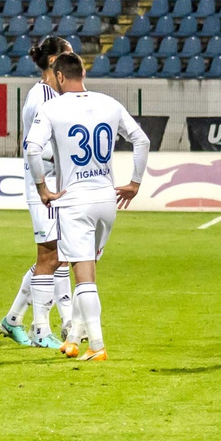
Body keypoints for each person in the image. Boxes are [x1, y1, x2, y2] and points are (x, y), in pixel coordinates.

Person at [23, 52, 149, 361]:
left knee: (83, 277)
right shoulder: (110, 103)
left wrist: (42, 188)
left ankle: (97, 345)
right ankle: (75, 338)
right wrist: (134, 183)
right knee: (88, 268)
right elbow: (141, 140)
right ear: (83, 74)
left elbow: (32, 149)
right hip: (107, 199)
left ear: (61, 77)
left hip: (74, 200)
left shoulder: (52, 107)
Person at [3, 36, 74, 348]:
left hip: (56, 182)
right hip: (42, 183)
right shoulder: (42, 97)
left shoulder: (54, 95)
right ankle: (41, 331)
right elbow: (37, 148)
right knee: (49, 255)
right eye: (69, 55)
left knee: (58, 256)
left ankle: (13, 320)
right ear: (52, 62)